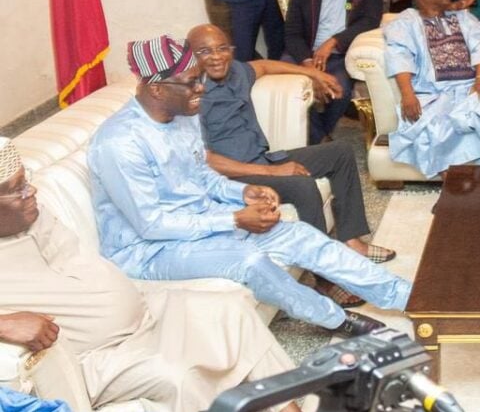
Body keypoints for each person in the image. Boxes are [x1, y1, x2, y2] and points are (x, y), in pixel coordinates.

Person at [89, 37, 409, 340]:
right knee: (250, 260)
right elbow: (152, 225)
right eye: (191, 82)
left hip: (200, 221)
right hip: (150, 250)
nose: (201, 88)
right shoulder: (121, 144)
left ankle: (407, 296)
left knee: (302, 235)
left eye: (199, 79)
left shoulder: (182, 116)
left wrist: (243, 193)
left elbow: (203, 177)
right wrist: (234, 219)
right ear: (157, 89)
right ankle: (336, 319)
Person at [0, 138, 301, 412]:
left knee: (232, 308)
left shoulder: (33, 212)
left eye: (27, 181)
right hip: (98, 356)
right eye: (17, 188)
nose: (32, 191)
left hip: (147, 309)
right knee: (178, 377)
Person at [188, 22, 395, 307]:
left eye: (222, 48)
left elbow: (264, 66)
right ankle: (324, 279)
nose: (216, 57)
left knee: (340, 152)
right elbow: (204, 159)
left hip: (263, 158)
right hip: (236, 179)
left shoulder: (236, 71)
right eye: (205, 51)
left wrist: (314, 73)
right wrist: (271, 171)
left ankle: (352, 242)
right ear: (191, 56)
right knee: (302, 185)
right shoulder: (192, 96)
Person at [383, 0, 480, 178]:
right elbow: (400, 57)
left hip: (470, 87)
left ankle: (472, 182)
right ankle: (454, 184)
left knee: (478, 112)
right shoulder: (406, 22)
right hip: (432, 92)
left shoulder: (463, 17)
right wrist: (408, 95)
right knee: (434, 126)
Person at [283, 0, 383, 144]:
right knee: (289, 87)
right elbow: (292, 32)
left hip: (340, 52)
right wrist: (309, 66)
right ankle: (321, 139)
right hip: (304, 52)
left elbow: (371, 19)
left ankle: (316, 134)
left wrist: (334, 42)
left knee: (340, 90)